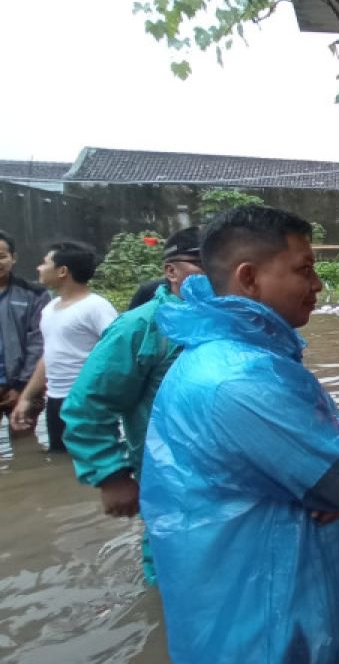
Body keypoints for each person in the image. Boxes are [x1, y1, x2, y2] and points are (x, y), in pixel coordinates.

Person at [139, 206, 339, 664]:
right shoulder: (240, 378)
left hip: (264, 596)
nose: (319, 285)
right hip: (270, 624)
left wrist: (335, 459)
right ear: (250, 278)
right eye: (304, 269)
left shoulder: (237, 354)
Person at [60, 227, 204, 584]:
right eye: (203, 265)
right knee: (173, 569)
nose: (218, 274)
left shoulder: (230, 320)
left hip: (222, 477)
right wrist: (112, 475)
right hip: (165, 477)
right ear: (171, 272)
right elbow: (88, 404)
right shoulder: (140, 328)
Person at [13, 242, 117, 452]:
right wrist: (25, 397)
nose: (39, 268)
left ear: (62, 271)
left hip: (87, 401)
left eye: (45, 263)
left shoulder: (96, 307)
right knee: (60, 460)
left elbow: (117, 352)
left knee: (95, 461)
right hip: (55, 400)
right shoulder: (50, 309)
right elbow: (48, 356)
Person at [0, 230, 51, 457]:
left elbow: (39, 343)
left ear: (13, 257)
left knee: (25, 450)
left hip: (24, 387)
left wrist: (21, 386)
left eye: (1, 256)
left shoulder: (34, 294)